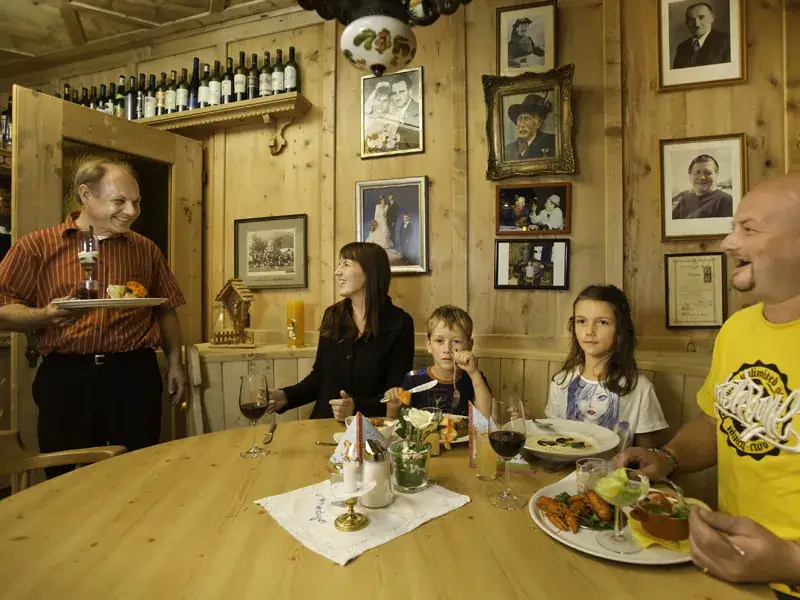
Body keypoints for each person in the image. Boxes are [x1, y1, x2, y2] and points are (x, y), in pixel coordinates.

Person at [614, 175, 800, 598]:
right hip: (726, 567)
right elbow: (719, 421)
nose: (728, 243)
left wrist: (791, 560)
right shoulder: (738, 329)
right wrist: (666, 457)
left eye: (748, 229)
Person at [0, 157, 187, 477]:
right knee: (65, 474)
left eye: (136, 202)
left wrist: (176, 363)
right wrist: (43, 316)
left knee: (139, 470)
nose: (131, 211)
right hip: (67, 378)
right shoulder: (38, 245)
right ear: (86, 195)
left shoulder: (146, 249)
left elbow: (166, 309)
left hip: (135, 375)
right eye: (119, 201)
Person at [267, 242, 414, 421]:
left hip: (373, 429)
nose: (337, 272)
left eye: (346, 264)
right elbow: (320, 377)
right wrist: (285, 396)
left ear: (369, 272)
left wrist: (355, 407)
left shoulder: (400, 323)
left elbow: (395, 394)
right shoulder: (333, 315)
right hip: (323, 424)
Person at [545, 285, 668, 448]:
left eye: (602, 322)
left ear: (620, 330)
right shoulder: (561, 382)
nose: (589, 331)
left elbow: (645, 455)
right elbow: (553, 440)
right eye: (581, 321)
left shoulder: (640, 389)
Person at [385, 305, 491, 418]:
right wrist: (392, 409)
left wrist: (474, 373)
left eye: (456, 341)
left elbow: (488, 419)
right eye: (439, 341)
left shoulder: (474, 380)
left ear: (469, 345)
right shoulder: (413, 380)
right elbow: (398, 428)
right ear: (429, 345)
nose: (447, 349)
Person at [672, 154, 734, 220]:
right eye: (697, 172)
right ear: (690, 176)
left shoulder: (727, 201)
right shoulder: (684, 202)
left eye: (707, 173)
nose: (702, 177)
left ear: (717, 175)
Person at [672, 2, 731, 69]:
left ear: (712, 18)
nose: (696, 24)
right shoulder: (682, 48)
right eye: (691, 19)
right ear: (687, 23)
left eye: (701, 17)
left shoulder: (726, 41)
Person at [503, 94, 555, 161]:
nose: (522, 124)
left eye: (527, 118)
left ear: (539, 123)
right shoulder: (508, 150)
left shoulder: (552, 142)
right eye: (520, 118)